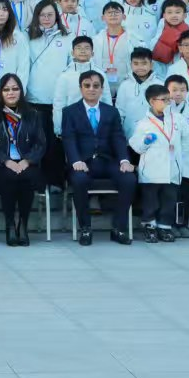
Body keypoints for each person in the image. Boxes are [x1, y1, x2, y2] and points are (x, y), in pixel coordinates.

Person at [60, 70, 131, 246]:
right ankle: (85, 228)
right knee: (80, 180)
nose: (91, 89)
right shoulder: (70, 111)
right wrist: (75, 160)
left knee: (128, 179)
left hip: (107, 161)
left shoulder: (111, 112)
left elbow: (118, 137)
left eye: (96, 86)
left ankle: (119, 228)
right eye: (87, 85)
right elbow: (68, 138)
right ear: (80, 88)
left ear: (102, 89)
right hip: (82, 162)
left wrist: (124, 160)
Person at [0, 74, 44, 247]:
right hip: (0, 164)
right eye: (6, 89)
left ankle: (22, 224)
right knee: (9, 177)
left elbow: (40, 144)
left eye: (15, 89)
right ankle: (9, 224)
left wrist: (26, 161)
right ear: (0, 92)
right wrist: (7, 161)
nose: (11, 93)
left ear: (21, 91)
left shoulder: (32, 114)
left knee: (27, 177)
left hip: (26, 163)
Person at [128, 84, 181, 243]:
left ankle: (165, 227)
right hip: (151, 169)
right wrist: (145, 141)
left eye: (168, 99)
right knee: (151, 200)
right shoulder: (143, 123)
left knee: (169, 199)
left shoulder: (177, 119)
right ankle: (149, 226)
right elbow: (135, 146)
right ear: (152, 101)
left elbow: (187, 139)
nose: (168, 103)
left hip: (172, 167)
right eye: (164, 100)